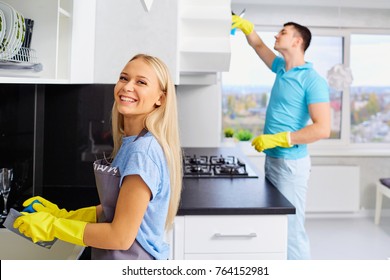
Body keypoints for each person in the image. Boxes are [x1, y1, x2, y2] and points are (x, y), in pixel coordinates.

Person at [14, 53, 183, 260]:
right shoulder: (133, 143)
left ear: (160, 98)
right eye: (124, 78)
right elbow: (115, 209)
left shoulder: (142, 153)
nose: (128, 86)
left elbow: (120, 237)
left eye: (141, 82)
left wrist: (53, 226)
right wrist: (62, 215)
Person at [232, 16, 331, 259]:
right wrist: (247, 28)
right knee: (276, 227)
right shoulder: (280, 68)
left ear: (297, 41)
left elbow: (322, 129)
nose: (276, 35)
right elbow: (258, 46)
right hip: (274, 161)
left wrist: (278, 139)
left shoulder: (312, 80)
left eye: (282, 32)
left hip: (291, 165)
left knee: (291, 230)